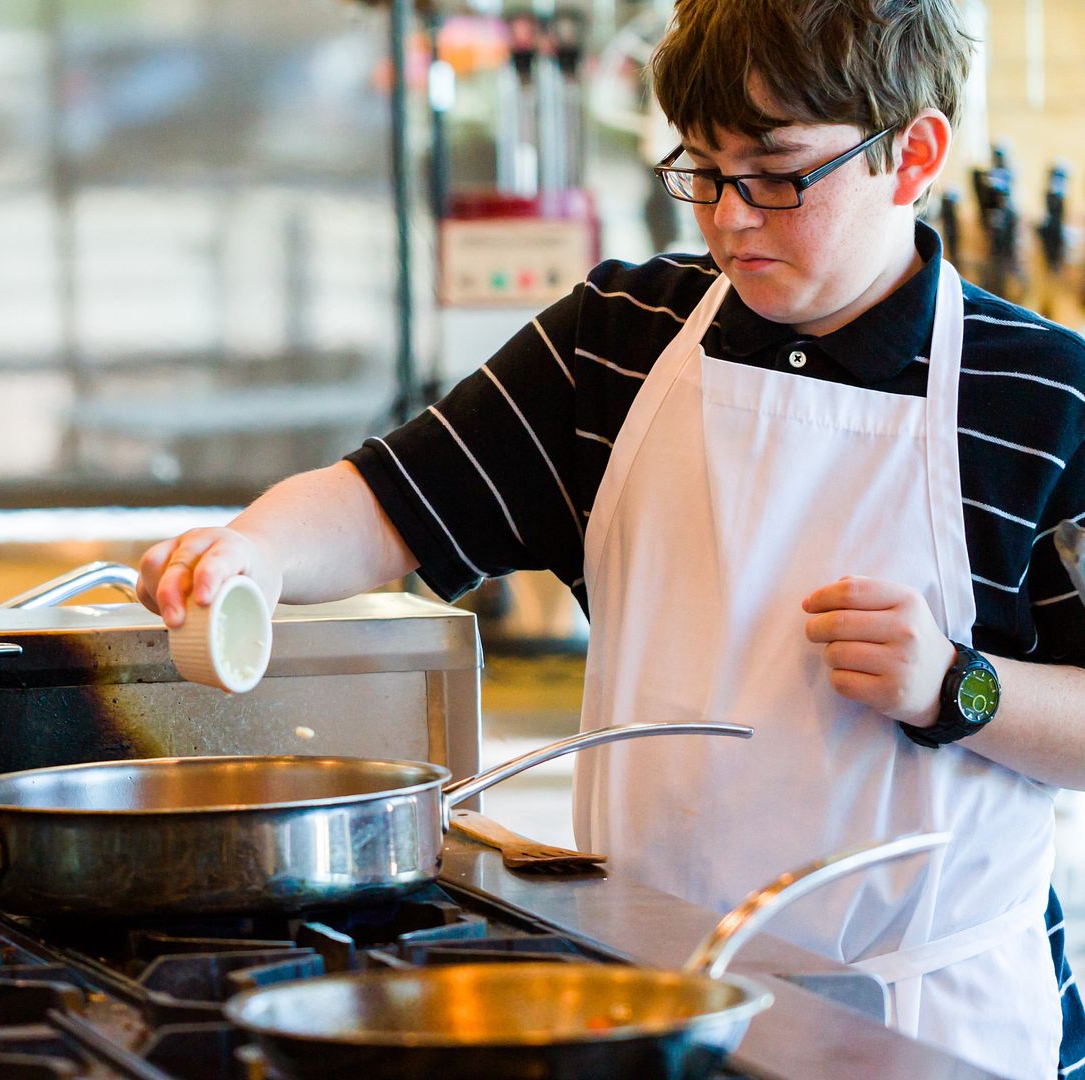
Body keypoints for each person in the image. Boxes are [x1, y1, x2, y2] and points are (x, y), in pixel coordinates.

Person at [138, 1, 1085, 1075]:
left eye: (776, 175)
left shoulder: (1044, 400)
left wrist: (956, 689)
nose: (729, 218)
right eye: (703, 169)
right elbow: (388, 502)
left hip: (927, 1028)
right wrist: (253, 552)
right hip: (646, 999)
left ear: (911, 152)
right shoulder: (618, 343)